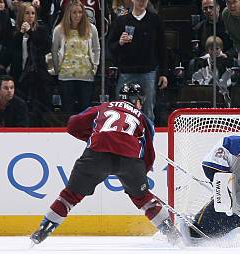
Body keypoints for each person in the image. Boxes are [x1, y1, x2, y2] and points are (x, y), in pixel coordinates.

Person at [30, 82, 182, 245]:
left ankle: (42, 231)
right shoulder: (143, 118)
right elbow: (149, 152)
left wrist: (93, 136)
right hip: (129, 159)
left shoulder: (104, 107)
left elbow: (73, 124)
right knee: (144, 199)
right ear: (136, 100)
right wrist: (140, 176)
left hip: (97, 154)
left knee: (70, 196)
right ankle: (173, 235)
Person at [107, 0, 168, 122]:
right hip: (126, 71)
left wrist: (164, 72)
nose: (142, 2)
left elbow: (162, 47)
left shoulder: (155, 21)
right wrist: (120, 43)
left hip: (148, 72)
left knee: (148, 111)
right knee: (122, 110)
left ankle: (148, 139)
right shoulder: (121, 21)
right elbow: (111, 47)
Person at [4, 3, 53, 125]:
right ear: (21, 15)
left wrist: (30, 32)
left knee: (37, 106)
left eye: (33, 13)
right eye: (27, 13)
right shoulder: (14, 32)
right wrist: (21, 34)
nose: (30, 16)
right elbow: (10, 50)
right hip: (19, 74)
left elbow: (46, 46)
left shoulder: (41, 30)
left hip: (36, 75)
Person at [51, 0, 100, 114]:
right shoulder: (59, 29)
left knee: (85, 110)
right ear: (69, 13)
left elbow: (96, 48)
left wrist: (95, 66)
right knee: (68, 109)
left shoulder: (91, 28)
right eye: (74, 12)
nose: (77, 15)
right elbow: (54, 50)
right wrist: (57, 68)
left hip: (86, 75)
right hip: (66, 75)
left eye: (80, 12)